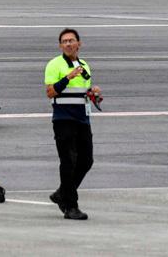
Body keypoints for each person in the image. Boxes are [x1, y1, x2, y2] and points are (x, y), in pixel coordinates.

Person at [44, 28, 101, 220]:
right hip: (63, 119)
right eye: (64, 41)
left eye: (71, 40)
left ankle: (62, 193)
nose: (68, 44)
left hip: (82, 119)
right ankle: (70, 205)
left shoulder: (84, 65)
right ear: (60, 45)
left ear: (79, 44)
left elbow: (82, 91)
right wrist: (67, 77)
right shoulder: (54, 64)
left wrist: (93, 94)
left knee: (86, 160)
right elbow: (51, 92)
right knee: (68, 161)